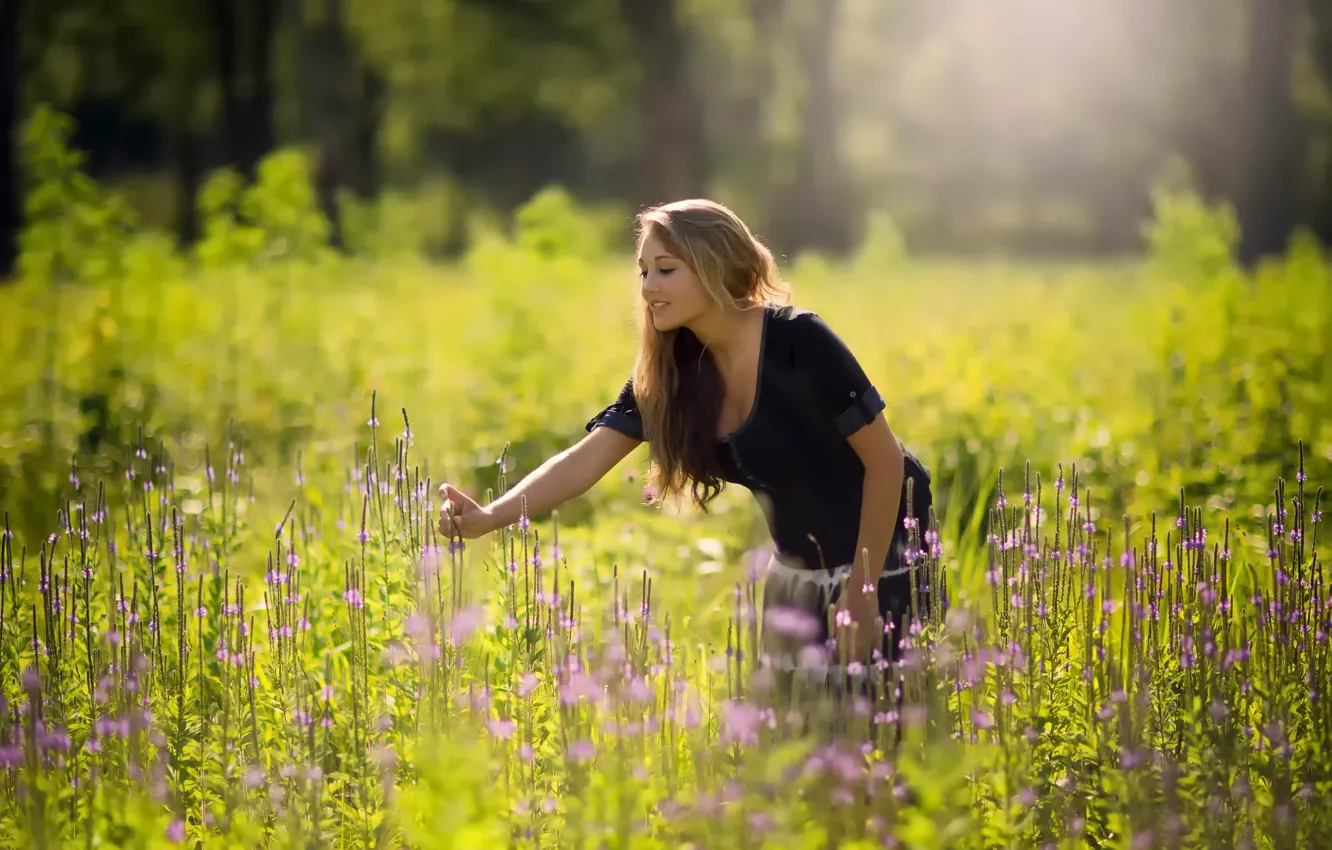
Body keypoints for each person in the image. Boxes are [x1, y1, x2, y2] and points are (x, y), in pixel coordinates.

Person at [437, 198, 936, 684]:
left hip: (885, 555)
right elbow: (582, 463)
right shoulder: (671, 374)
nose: (649, 286)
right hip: (797, 575)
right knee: (798, 747)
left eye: (666, 269)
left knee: (882, 733)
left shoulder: (799, 343)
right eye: (643, 271)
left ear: (713, 266)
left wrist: (864, 590)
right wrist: (488, 518)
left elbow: (886, 463)